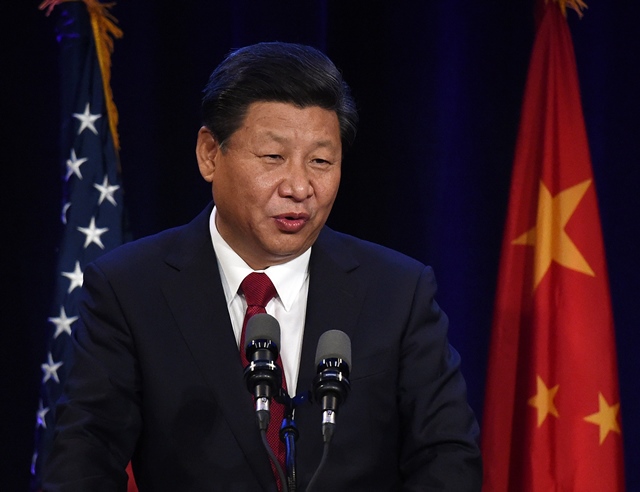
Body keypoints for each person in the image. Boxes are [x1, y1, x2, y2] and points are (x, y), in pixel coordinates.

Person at [43, 41, 482, 491]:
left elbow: (446, 458)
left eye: (321, 162)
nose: (298, 186)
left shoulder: (398, 291)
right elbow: (82, 459)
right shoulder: (129, 289)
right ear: (210, 153)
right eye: (273, 157)